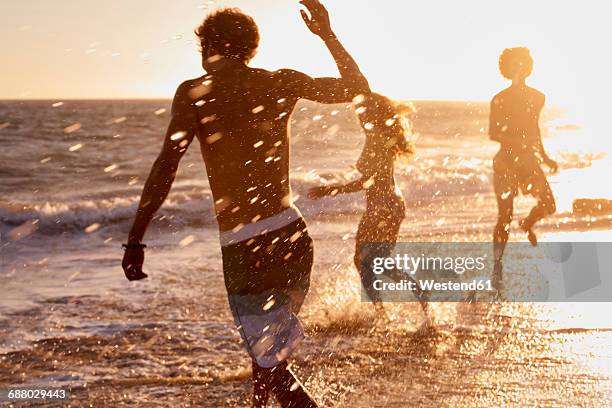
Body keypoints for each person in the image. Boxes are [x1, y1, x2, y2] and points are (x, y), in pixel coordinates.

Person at [121, 1, 370, 407]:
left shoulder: (195, 93)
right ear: (251, 48)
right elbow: (358, 89)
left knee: (272, 365)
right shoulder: (280, 82)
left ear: (208, 46)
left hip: (246, 245)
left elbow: (167, 165)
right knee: (267, 356)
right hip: (291, 234)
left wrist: (135, 238)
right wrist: (327, 34)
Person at [308, 93, 427, 313]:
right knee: (377, 260)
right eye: (359, 113)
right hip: (391, 204)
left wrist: (331, 189)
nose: (359, 117)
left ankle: (383, 310)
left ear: (374, 114)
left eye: (363, 112)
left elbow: (368, 181)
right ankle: (414, 293)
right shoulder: (382, 135)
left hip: (383, 206)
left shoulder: (377, 138)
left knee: (364, 261)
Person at [489, 47, 558, 289]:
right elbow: (493, 133)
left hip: (528, 162)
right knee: (504, 216)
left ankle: (528, 223)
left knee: (549, 204)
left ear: (528, 66)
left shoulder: (537, 97)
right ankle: (497, 268)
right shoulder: (499, 98)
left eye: (523, 63)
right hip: (505, 163)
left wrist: (545, 156)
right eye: (514, 64)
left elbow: (534, 128)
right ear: (506, 68)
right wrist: (518, 142)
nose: (519, 68)